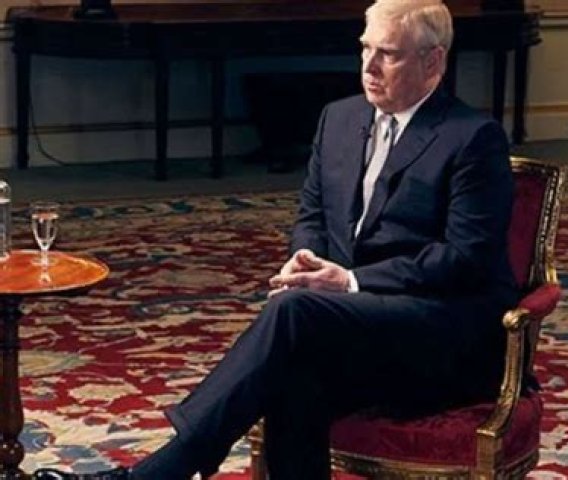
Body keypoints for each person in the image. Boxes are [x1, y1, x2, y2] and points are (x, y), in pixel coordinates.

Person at [35, 0, 518, 479]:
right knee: (294, 369)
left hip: (439, 330)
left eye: (387, 54)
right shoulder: (339, 119)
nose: (369, 66)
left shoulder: (473, 138)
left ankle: (162, 471)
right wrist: (305, 258)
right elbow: (313, 214)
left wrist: (349, 281)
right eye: (365, 48)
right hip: (355, 324)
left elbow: (464, 259)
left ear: (433, 62)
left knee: (293, 313)